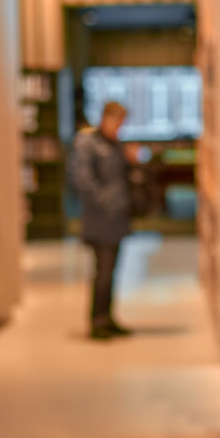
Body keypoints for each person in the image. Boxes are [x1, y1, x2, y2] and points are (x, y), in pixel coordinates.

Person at [71, 101, 134, 341]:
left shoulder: (114, 145)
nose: (119, 128)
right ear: (105, 118)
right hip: (100, 220)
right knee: (103, 272)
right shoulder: (88, 144)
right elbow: (83, 180)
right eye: (117, 122)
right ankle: (97, 321)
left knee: (112, 271)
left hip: (117, 218)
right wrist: (106, 202)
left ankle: (108, 317)